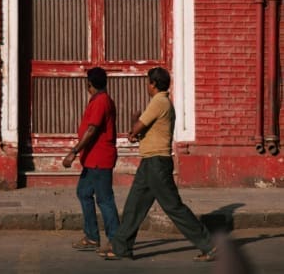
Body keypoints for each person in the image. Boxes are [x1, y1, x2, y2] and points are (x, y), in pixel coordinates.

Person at [100, 66, 216, 262]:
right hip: (150, 162)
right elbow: (144, 131)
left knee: (173, 207)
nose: (147, 85)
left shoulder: (159, 101)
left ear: (153, 84)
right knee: (134, 206)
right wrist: (136, 131)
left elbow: (138, 126)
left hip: (157, 163)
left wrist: (134, 123)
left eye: (148, 82)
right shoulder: (162, 102)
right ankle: (121, 247)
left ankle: (208, 244)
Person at [62, 66, 120, 251]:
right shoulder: (99, 100)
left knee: (104, 199)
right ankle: (92, 236)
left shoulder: (101, 101)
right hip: (92, 159)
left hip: (99, 158)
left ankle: (115, 240)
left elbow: (92, 130)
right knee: (84, 193)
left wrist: (74, 151)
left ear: (89, 84)